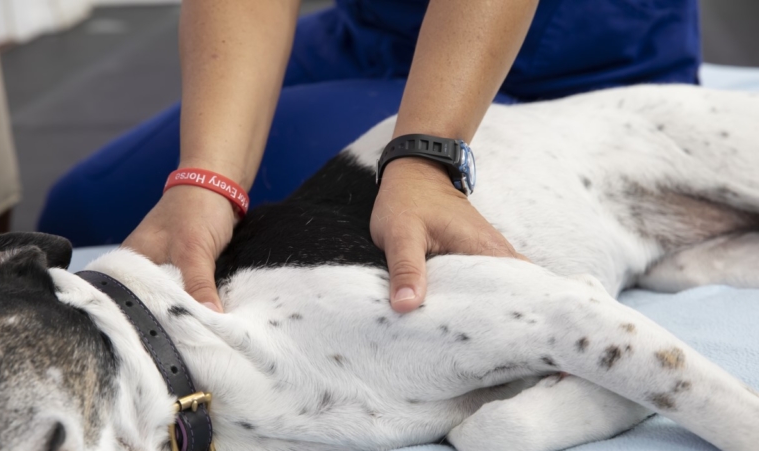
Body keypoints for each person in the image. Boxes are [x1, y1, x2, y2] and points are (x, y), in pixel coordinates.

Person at [39, 0, 700, 314]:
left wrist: (424, 157)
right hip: (375, 34)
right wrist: (207, 179)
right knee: (83, 208)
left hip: (567, 60)